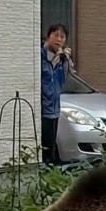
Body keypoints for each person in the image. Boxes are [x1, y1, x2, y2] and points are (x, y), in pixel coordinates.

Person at [40, 24, 72, 166]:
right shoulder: (40, 57)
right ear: (48, 37)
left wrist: (66, 60)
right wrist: (55, 59)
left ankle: (50, 172)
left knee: (51, 148)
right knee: (43, 148)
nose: (59, 40)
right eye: (56, 35)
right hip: (42, 110)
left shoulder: (61, 60)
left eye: (62, 37)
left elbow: (64, 79)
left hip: (54, 110)